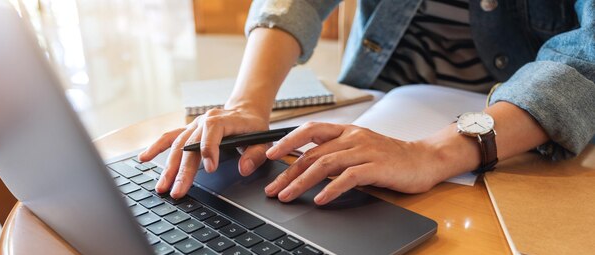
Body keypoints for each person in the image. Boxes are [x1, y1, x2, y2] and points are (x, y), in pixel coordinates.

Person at [139, 0, 595, 205]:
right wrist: (246, 104)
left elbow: (587, 55)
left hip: (521, 136)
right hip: (374, 110)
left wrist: (432, 153)